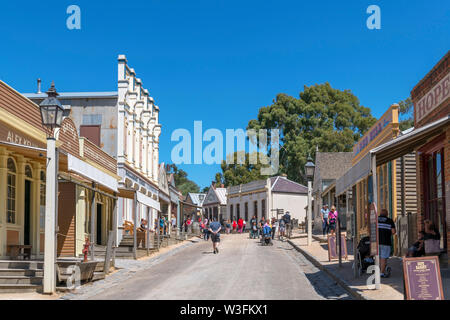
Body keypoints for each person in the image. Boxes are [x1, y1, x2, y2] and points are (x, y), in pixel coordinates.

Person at [378, 208, 396, 278]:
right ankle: (381, 273)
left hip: (376, 242)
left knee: (378, 257)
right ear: (387, 214)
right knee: (383, 258)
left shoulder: (376, 220)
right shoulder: (390, 221)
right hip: (386, 242)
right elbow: (393, 232)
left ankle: (380, 270)